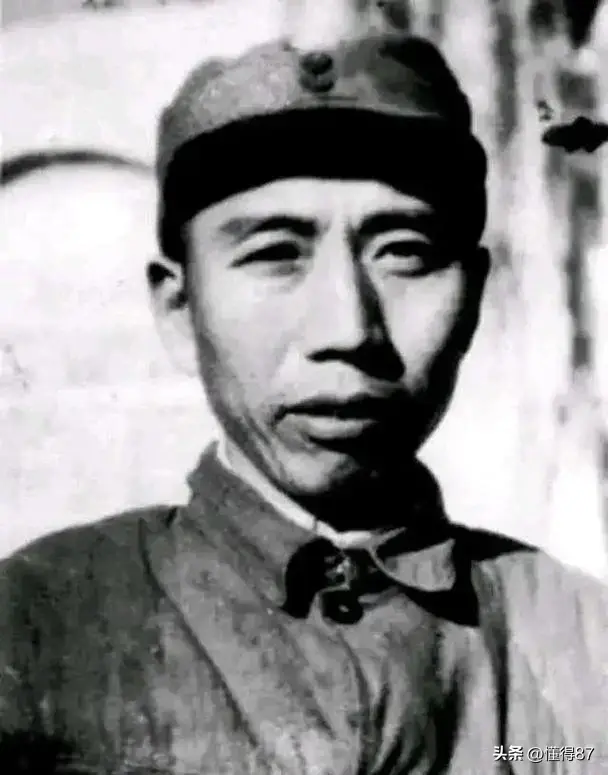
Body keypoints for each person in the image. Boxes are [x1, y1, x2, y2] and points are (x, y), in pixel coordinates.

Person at [1, 24, 606, 775]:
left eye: (405, 253)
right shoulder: (36, 631)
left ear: (474, 301)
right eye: (275, 255)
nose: (347, 329)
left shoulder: (583, 651)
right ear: (180, 311)